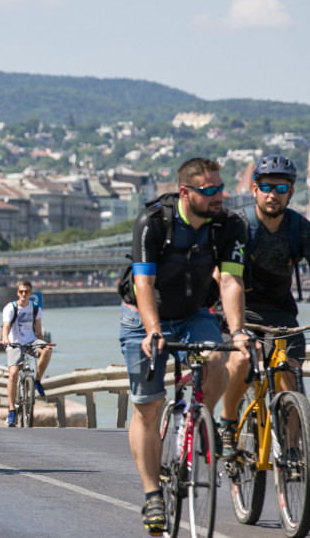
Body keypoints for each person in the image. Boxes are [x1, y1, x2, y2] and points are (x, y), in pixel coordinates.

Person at [117, 158, 252, 534]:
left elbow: (229, 280)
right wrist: (154, 330)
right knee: (148, 405)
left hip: (194, 314)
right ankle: (152, 496)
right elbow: (144, 284)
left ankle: (195, 421)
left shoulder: (230, 224)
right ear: (185, 192)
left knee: (218, 362)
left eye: (220, 188)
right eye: (209, 191)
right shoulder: (153, 222)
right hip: (143, 316)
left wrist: (238, 330)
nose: (218, 197)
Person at [221, 154, 310, 455]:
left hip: (280, 313)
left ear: (291, 192)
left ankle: (291, 452)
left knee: (290, 374)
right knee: (244, 358)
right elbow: (224, 277)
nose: (273, 194)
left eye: (281, 188)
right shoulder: (238, 226)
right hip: (238, 311)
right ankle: (229, 419)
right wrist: (235, 326)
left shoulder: (302, 229)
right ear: (254, 189)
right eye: (266, 186)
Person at [0, 281, 52, 427]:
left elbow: (39, 331)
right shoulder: (11, 308)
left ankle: (37, 381)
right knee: (13, 373)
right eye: (21, 291)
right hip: (14, 343)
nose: (24, 294)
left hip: (31, 341)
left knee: (47, 350)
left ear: (31, 293)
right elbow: (6, 326)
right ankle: (11, 411)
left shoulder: (36, 309)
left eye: (27, 292)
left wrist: (42, 343)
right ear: (18, 292)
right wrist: (5, 339)